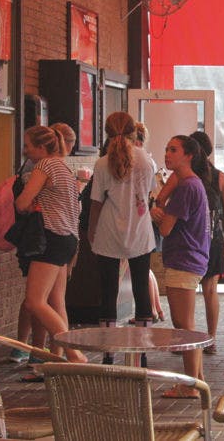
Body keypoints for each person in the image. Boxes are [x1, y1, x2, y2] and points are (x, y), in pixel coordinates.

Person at [88, 112, 156, 363]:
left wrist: (91, 233)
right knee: (141, 290)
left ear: (106, 132)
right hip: (140, 231)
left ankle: (109, 352)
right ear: (133, 131)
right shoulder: (146, 161)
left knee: (108, 292)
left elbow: (96, 203)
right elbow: (147, 195)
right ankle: (142, 350)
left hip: (108, 231)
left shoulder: (102, 163)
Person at [14, 126, 86, 363]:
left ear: (42, 147)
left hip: (50, 238)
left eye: (28, 146)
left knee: (35, 301)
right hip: (67, 238)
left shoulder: (44, 166)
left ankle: (74, 354)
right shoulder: (65, 167)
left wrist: (28, 198)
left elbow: (22, 203)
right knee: (56, 303)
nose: (25, 151)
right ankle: (57, 357)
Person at [150, 135, 210, 398]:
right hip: (189, 257)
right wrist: (160, 200)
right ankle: (196, 378)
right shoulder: (189, 182)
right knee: (184, 323)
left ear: (189, 155)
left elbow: (165, 227)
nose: (167, 154)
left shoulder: (186, 187)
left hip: (184, 258)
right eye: (166, 149)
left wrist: (155, 212)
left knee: (184, 325)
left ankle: (190, 385)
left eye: (173, 150)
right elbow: (169, 187)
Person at [189, 131, 224, 354]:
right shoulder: (220, 177)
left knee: (186, 290)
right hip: (214, 238)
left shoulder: (186, 177)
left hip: (191, 239)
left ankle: (188, 339)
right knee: (210, 290)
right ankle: (211, 339)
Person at [133, 122, 166, 322]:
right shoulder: (149, 162)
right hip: (148, 222)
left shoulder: (144, 163)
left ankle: (152, 309)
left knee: (143, 269)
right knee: (145, 269)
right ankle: (155, 308)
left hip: (144, 222)